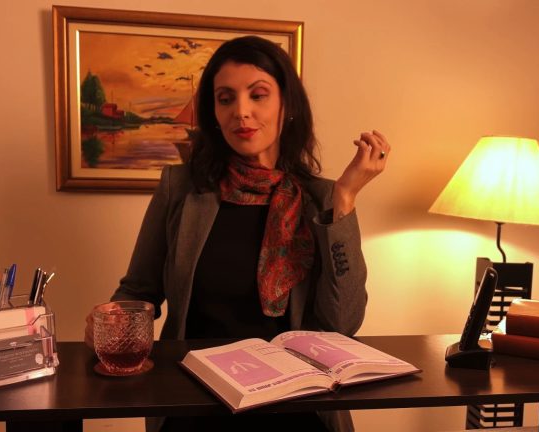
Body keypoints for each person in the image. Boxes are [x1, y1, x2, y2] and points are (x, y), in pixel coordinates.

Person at [85, 35, 390, 432]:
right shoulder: (181, 188)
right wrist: (112, 323)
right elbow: (138, 291)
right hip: (194, 402)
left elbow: (343, 323)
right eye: (225, 99)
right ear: (214, 113)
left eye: (258, 95)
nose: (241, 112)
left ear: (287, 105)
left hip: (297, 406)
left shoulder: (321, 199)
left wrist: (345, 197)